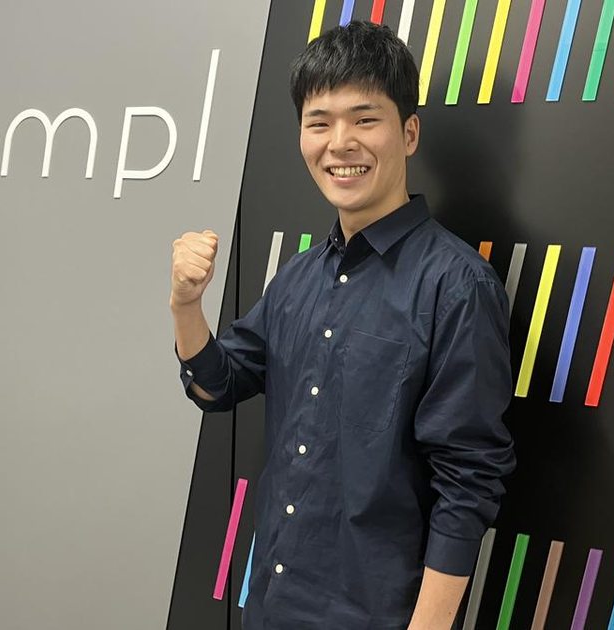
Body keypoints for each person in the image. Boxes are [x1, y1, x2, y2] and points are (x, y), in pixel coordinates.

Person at [170, 21, 515, 630]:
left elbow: (468, 484)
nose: (340, 143)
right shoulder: (299, 276)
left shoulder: (457, 285)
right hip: (272, 604)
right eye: (319, 122)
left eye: (364, 119)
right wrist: (185, 306)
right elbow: (216, 386)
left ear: (409, 133)